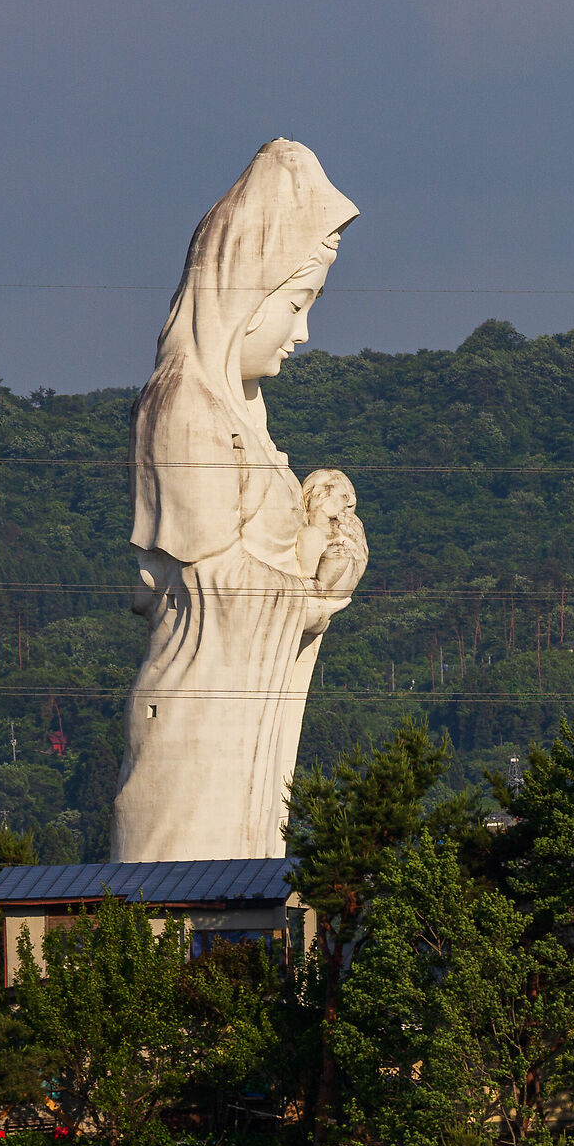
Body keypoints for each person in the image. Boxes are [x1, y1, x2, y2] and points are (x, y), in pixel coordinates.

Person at [111, 140, 363, 862]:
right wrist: (311, 570)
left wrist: (332, 554)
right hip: (200, 714)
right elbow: (216, 587)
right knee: (183, 901)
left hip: (246, 712)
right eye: (295, 303)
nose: (304, 330)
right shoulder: (183, 405)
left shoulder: (245, 420)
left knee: (248, 906)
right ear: (243, 294)